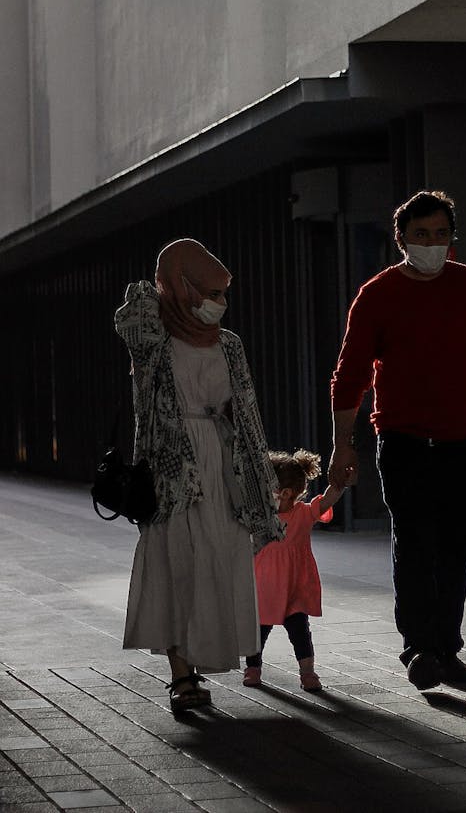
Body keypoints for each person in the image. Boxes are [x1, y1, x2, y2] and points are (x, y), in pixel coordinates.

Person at [329, 190, 466, 691]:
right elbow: (349, 377)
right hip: (404, 441)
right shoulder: (377, 295)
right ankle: (419, 648)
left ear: (452, 238)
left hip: (464, 442)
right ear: (401, 240)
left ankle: (446, 647)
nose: (432, 244)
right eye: (421, 235)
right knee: (415, 545)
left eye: (440, 234)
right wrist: (341, 445)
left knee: (456, 548)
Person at [115, 237, 284, 715]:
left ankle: (200, 656)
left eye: (223, 294)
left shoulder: (229, 345)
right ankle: (181, 676)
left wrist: (258, 479)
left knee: (216, 561)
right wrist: (158, 290)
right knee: (178, 565)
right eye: (208, 291)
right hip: (172, 473)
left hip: (222, 465)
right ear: (181, 287)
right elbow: (132, 319)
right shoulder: (154, 341)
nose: (218, 303)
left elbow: (247, 413)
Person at [243, 449, 352, 692]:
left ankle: (307, 672)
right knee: (258, 631)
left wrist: (340, 484)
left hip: (294, 587)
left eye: (265, 491)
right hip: (266, 586)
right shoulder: (260, 516)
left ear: (285, 493)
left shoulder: (303, 514)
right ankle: (253, 668)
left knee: (300, 632)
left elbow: (326, 500)